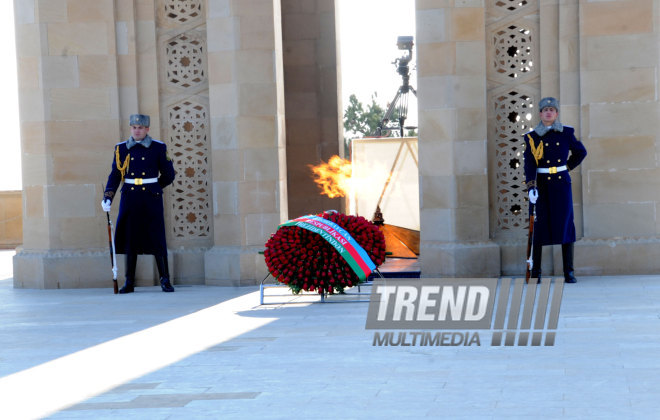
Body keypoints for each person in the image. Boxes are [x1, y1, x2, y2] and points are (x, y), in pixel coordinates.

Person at [101, 114, 176, 293]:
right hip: (131, 196)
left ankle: (165, 279)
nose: (137, 130)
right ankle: (129, 282)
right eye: (134, 127)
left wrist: (156, 187)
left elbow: (169, 174)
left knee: (157, 237)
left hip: (151, 197)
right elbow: (116, 175)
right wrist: (108, 197)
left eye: (140, 128)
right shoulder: (121, 149)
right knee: (130, 238)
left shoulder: (158, 147)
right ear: (131, 129)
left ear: (147, 129)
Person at [523, 97, 587, 283]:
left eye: (552, 109)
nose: (549, 112)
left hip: (561, 184)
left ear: (557, 113)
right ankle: (536, 272)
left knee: (566, 226)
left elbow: (581, 152)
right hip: (541, 185)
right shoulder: (532, 136)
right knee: (539, 228)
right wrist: (531, 186)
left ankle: (569, 272)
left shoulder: (566, 132)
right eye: (545, 110)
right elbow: (529, 163)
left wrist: (566, 167)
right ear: (540, 114)